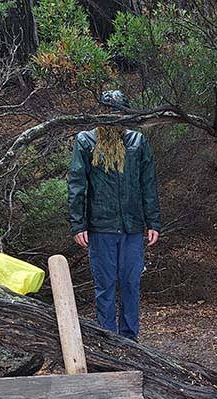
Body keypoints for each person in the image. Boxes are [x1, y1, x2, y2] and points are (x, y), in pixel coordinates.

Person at [67, 90, 160, 341]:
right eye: (109, 112)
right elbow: (77, 183)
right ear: (100, 113)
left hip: (132, 227)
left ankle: (130, 341)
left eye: (118, 112)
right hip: (101, 227)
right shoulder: (86, 141)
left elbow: (147, 184)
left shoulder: (137, 142)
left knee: (131, 284)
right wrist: (78, 224)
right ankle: (107, 340)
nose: (113, 117)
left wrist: (153, 222)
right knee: (105, 287)